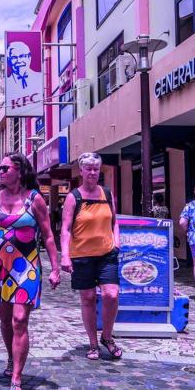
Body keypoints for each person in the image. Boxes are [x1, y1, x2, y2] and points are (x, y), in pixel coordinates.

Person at [0, 153, 60, 390]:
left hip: (27, 268)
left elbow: (48, 236)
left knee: (20, 320)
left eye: (5, 168)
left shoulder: (35, 199)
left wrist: (55, 268)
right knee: (6, 321)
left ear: (20, 171)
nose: (1, 171)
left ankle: (16, 380)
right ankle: (11, 357)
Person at [60, 152, 121, 362]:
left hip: (107, 254)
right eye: (89, 169)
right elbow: (66, 229)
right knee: (88, 298)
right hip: (82, 256)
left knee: (111, 295)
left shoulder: (107, 193)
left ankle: (107, 337)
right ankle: (93, 343)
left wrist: (116, 242)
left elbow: (114, 221)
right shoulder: (73, 197)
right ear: (82, 171)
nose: (93, 173)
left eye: (96, 169)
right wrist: (65, 256)